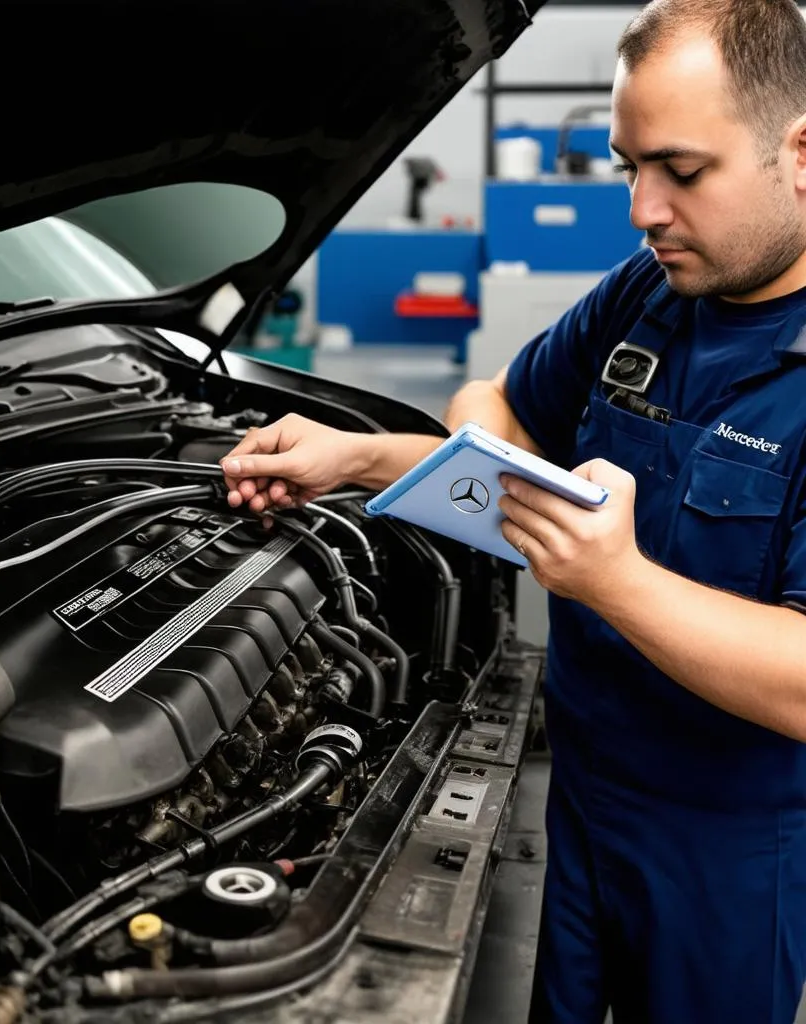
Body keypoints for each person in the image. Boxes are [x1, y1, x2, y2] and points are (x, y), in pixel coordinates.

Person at [219, 1, 806, 1021]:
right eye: (628, 166)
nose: (641, 209)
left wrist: (612, 579)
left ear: (799, 154)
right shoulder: (648, 296)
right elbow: (496, 410)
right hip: (575, 790)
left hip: (729, 849)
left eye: (680, 169)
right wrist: (359, 455)